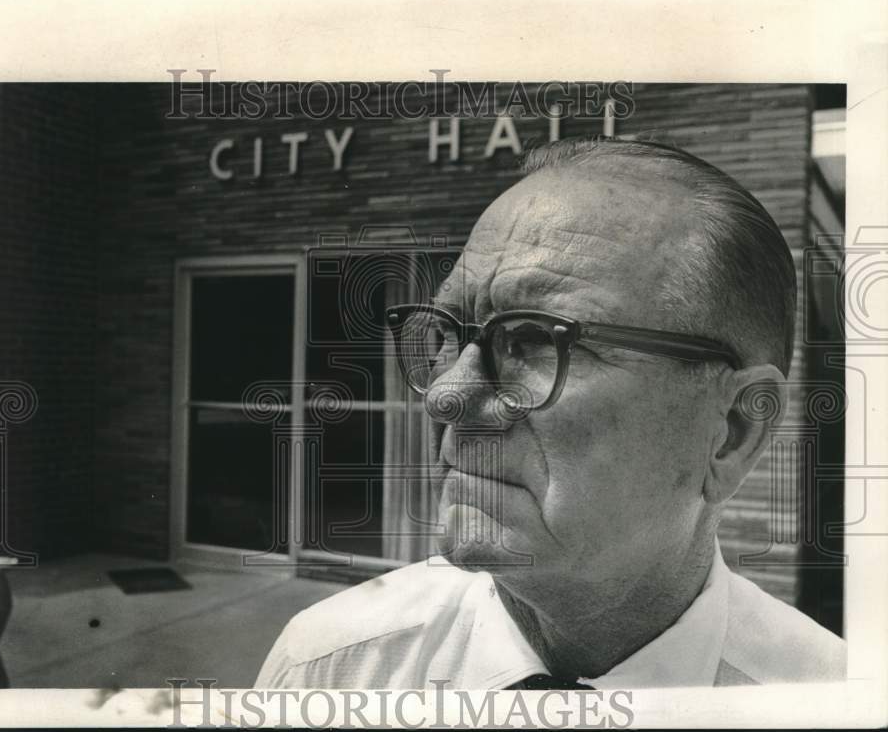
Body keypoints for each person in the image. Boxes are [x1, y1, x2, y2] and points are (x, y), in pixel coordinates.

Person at [255, 137, 846, 690]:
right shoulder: (330, 666)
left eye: (535, 339)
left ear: (733, 433)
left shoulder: (829, 699)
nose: (444, 396)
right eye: (446, 335)